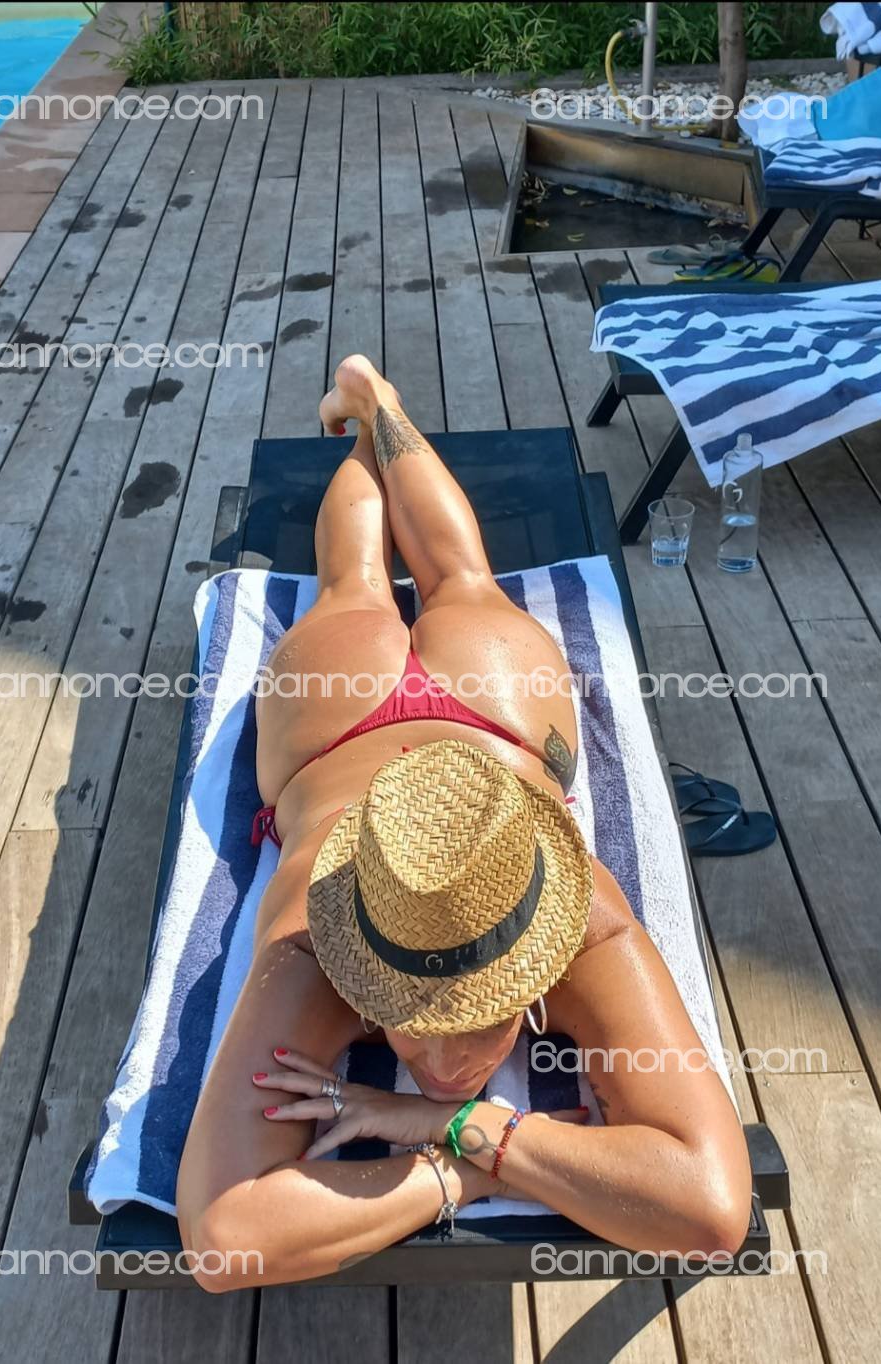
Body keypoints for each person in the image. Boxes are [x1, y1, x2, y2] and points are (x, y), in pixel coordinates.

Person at [176, 355, 751, 1291]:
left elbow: (712, 1210)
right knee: (420, 582)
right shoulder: (316, 944)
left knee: (383, 588)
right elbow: (224, 1240)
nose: (444, 1062)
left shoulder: (582, 925)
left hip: (429, 721)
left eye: (477, 1021)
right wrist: (469, 1166)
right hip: (421, 722)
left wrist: (456, 1126)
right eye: (412, 1020)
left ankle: (375, 402)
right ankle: (373, 408)